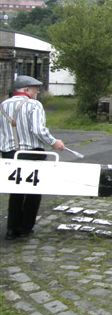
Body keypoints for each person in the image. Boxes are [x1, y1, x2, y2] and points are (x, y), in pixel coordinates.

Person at [1, 75, 65, 240]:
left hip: (9, 153)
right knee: (33, 189)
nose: (37, 92)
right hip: (32, 152)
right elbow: (38, 129)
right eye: (35, 88)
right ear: (26, 90)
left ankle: (11, 228)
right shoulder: (34, 105)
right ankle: (25, 227)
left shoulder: (3, 105)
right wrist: (54, 142)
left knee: (16, 190)